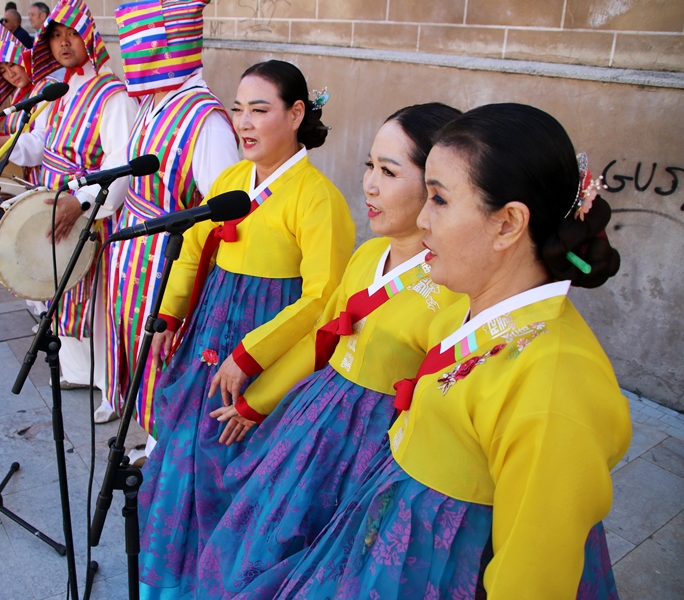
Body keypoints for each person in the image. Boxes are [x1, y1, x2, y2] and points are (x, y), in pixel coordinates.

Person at [274, 103, 629, 599]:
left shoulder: (553, 385)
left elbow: (531, 582)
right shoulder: (461, 311)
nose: (421, 219)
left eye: (438, 199)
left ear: (507, 223)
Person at [197, 103, 465, 599]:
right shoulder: (368, 255)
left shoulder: (454, 287)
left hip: (379, 442)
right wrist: (259, 402)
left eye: (388, 171)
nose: (369, 184)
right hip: (320, 418)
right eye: (369, 165)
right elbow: (323, 339)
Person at [138, 59, 355, 599]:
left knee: (232, 468)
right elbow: (191, 247)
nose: (244, 122)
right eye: (238, 109)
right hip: (208, 332)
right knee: (183, 450)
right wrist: (169, 314)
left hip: (264, 346)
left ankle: (218, 582)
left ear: (296, 113)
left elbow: (322, 298)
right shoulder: (233, 179)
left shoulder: (317, 197)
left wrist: (251, 355)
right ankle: (167, 577)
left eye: (260, 110)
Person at [103, 0, 239, 438]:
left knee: (162, 347)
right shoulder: (154, 103)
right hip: (133, 250)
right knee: (132, 339)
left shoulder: (207, 121)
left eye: (138, 47)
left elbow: (223, 212)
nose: (131, 58)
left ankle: (163, 439)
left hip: (169, 257)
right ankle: (139, 424)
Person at [10, 0, 137, 391]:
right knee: (60, 292)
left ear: (90, 39)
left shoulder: (113, 95)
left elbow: (121, 166)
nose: (64, 44)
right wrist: (5, 143)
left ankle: (106, 384)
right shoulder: (59, 92)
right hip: (56, 202)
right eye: (55, 36)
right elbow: (39, 147)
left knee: (94, 304)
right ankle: (78, 372)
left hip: (93, 214)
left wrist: (82, 201)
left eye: (72, 34)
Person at [0, 23, 50, 185]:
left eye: (11, 65)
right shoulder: (18, 94)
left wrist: (8, 142)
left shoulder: (46, 89)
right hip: (22, 177)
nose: (10, 74)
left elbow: (45, 140)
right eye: (2, 71)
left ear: (23, 60)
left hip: (43, 177)